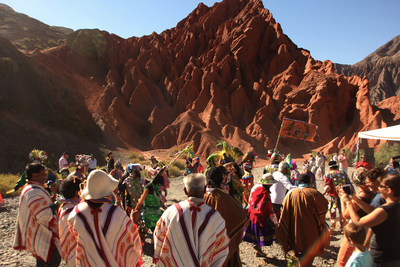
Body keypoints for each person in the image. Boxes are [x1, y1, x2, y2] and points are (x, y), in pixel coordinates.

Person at [67, 170, 142, 266]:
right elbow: (131, 239)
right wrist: (132, 220)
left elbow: (75, 238)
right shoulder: (117, 213)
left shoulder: (76, 213)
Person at [153, 173, 230, 266]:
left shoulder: (171, 212)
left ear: (185, 190)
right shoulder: (215, 217)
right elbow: (221, 248)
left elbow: (158, 237)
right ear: (205, 189)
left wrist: (158, 256)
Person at [341, 174, 400, 266]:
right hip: (395, 255)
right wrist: (354, 198)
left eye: (381, 186)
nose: (378, 188)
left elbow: (358, 223)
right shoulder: (393, 207)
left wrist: (348, 203)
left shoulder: (384, 211)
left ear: (389, 190)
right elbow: (373, 211)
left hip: (382, 258)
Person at [275, 174, 329, 267]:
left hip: (294, 230)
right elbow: (324, 206)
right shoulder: (313, 193)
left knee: (297, 250)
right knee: (309, 251)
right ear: (309, 182)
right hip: (311, 230)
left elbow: (284, 212)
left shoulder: (290, 194)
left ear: (298, 182)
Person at [13, 163, 61, 267]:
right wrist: (57, 204)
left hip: (39, 232)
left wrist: (52, 198)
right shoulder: (33, 192)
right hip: (42, 234)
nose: (45, 176)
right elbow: (44, 215)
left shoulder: (33, 188)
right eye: (43, 174)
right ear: (34, 175)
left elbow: (42, 206)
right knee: (50, 260)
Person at [204, 166, 249, 266]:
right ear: (221, 178)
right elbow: (238, 216)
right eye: (224, 175)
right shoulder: (221, 197)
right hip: (221, 240)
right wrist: (249, 212)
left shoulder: (203, 194)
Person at [337, 168, 375, 267]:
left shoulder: (362, 196)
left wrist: (342, 199)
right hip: (368, 230)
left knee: (342, 260)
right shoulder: (373, 193)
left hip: (356, 230)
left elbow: (346, 215)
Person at [242, 174, 278, 257]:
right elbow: (270, 210)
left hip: (252, 215)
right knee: (262, 234)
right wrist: (275, 221)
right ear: (269, 184)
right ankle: (259, 249)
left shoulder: (256, 188)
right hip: (261, 218)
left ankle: (259, 251)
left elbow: (251, 200)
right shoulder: (266, 194)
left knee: (256, 235)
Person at [57, 176, 81, 266]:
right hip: (76, 254)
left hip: (70, 251)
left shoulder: (64, 205)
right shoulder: (75, 211)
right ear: (77, 193)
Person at [323, 160, 351, 229]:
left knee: (333, 210)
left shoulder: (328, 175)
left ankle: (334, 225)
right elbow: (348, 184)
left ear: (330, 168)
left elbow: (327, 186)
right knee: (342, 210)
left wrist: (324, 192)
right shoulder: (343, 173)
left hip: (333, 196)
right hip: (343, 195)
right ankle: (342, 224)